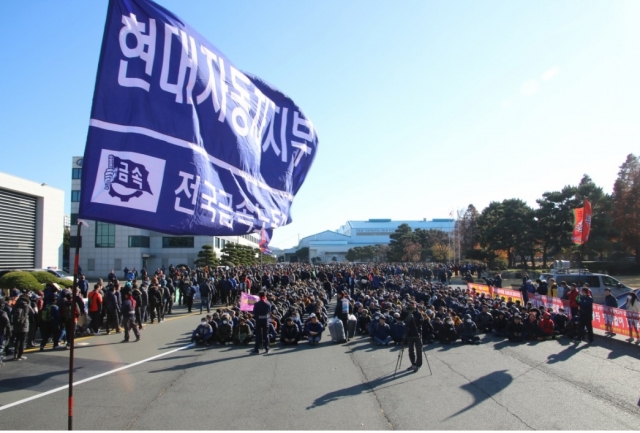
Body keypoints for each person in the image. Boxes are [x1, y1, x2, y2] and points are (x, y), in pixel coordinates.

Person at [12, 292, 34, 360]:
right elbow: (33, 312)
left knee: (17, 340)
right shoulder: (26, 305)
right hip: (24, 325)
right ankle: (20, 355)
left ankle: (15, 354)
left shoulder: (16, 305)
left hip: (16, 324)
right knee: (22, 340)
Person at [403, 302, 423, 372]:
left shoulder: (418, 314)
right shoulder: (407, 313)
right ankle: (413, 364)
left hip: (417, 334)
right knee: (410, 351)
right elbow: (403, 320)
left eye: (412, 307)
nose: (411, 309)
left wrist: (414, 319)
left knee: (419, 351)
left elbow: (421, 322)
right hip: (409, 334)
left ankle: (418, 365)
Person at [0, 299, 10, 366]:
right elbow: (7, 323)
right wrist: (9, 331)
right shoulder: (3, 313)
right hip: (1, 331)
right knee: (1, 346)